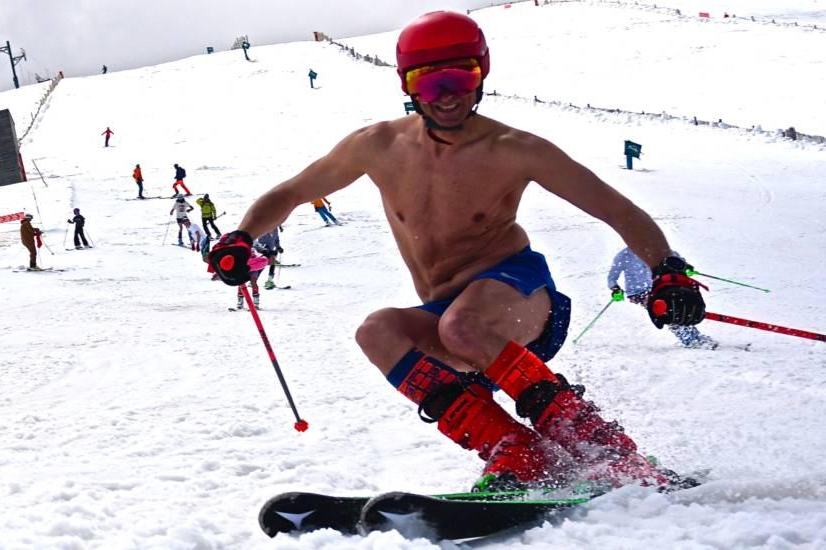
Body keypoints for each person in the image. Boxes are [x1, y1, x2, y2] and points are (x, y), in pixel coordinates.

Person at [209, 11, 706, 491]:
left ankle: (603, 449)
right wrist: (241, 236)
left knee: (461, 325)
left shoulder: (514, 149)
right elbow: (290, 193)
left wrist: (667, 270)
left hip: (520, 297)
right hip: (447, 310)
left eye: (460, 78)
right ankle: (515, 452)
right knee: (377, 331)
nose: (446, 97)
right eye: (429, 83)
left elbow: (618, 210)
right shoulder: (375, 145)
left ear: (481, 74)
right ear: (406, 84)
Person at [608, 248, 716, 349]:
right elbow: (612, 276)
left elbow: (676, 260)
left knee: (676, 306)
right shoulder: (624, 255)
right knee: (667, 309)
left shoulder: (660, 250)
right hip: (639, 292)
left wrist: (686, 267)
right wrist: (615, 288)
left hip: (660, 287)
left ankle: (694, 336)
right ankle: (689, 339)